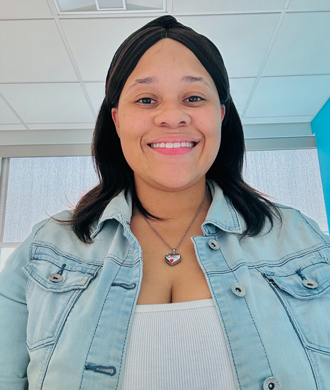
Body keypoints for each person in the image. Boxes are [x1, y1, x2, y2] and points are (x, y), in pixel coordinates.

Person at [0, 15, 329, 390]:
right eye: (146, 99)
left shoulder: (302, 238)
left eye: (193, 97)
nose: (173, 116)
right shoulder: (43, 249)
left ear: (220, 115)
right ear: (118, 120)